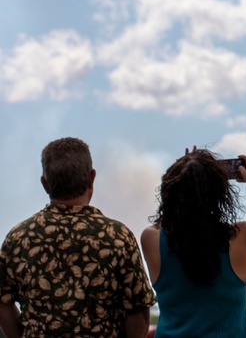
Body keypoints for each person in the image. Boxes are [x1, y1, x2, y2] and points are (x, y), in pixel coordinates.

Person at [0, 137, 156, 338]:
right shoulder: (118, 238)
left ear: (45, 184)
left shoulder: (19, 239)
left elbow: (3, 302)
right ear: (91, 178)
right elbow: (139, 310)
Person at [140, 148, 246, 338]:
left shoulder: (151, 239)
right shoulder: (242, 236)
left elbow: (168, 220)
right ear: (220, 194)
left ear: (170, 192)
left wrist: (185, 173)